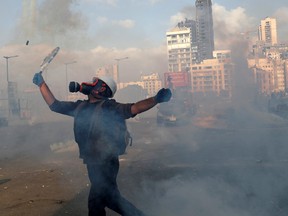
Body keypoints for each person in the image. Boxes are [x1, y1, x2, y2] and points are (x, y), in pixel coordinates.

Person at [32, 71, 172, 216]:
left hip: (107, 162)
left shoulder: (110, 107)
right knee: (110, 199)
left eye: (95, 82)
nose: (91, 84)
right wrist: (41, 84)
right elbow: (55, 105)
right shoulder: (80, 107)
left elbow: (135, 108)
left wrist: (156, 99)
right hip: (92, 161)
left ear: (102, 89)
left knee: (96, 201)